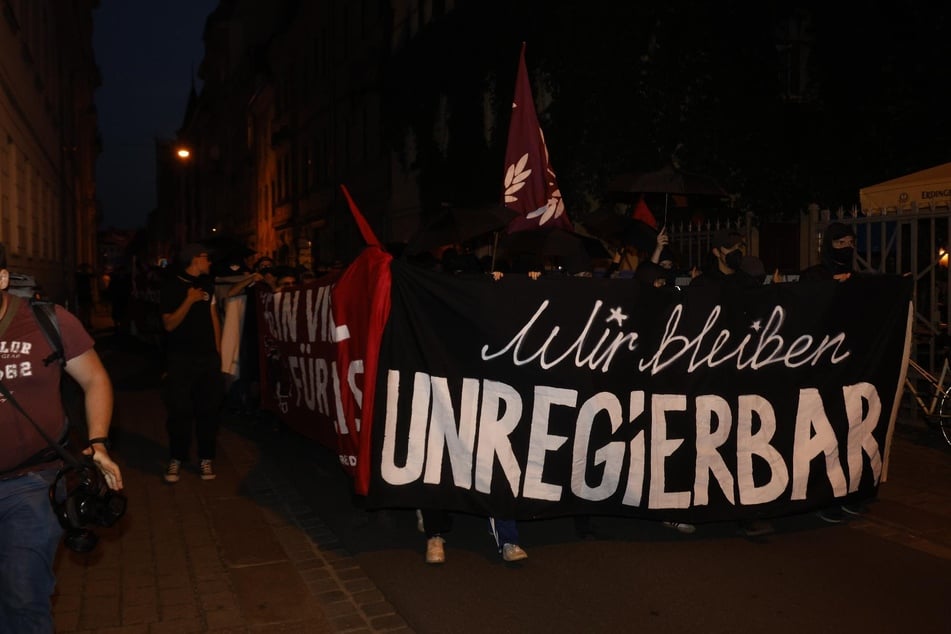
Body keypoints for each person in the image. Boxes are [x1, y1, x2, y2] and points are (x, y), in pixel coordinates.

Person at [0, 242, 123, 632]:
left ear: (1, 278)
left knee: (24, 597)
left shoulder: (47, 320)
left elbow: (95, 379)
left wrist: (99, 442)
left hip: (31, 483)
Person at [799, 222, 869, 523]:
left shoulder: (859, 277)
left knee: (850, 432)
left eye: (851, 242)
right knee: (822, 436)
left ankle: (847, 491)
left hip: (849, 369)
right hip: (820, 371)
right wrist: (830, 288)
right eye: (840, 243)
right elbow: (804, 309)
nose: (847, 248)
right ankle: (821, 496)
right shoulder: (815, 275)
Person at [159, 243, 223, 483]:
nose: (210, 263)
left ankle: (206, 458)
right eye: (207, 258)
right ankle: (177, 458)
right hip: (180, 360)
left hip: (208, 360)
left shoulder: (208, 284)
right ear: (196, 259)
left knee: (209, 411)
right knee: (179, 412)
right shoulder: (172, 286)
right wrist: (189, 300)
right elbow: (169, 325)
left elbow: (214, 318)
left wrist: (218, 354)